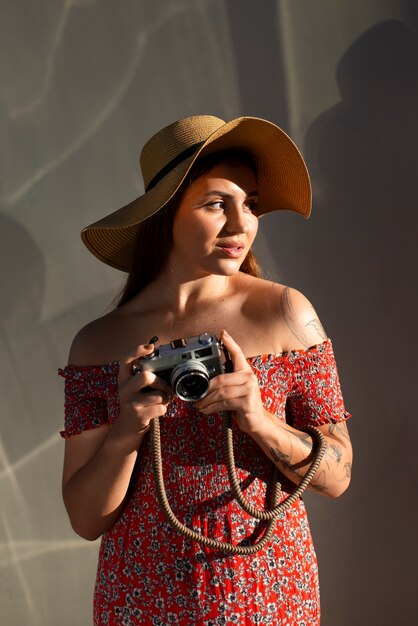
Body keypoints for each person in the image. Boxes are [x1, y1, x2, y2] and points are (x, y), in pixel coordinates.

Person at [60, 115, 352, 626]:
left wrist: (259, 420)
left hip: (266, 593)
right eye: (218, 204)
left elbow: (337, 476)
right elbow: (87, 520)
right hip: (140, 598)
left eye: (252, 204)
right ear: (166, 212)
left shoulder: (286, 314)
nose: (242, 225)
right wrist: (128, 431)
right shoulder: (98, 344)